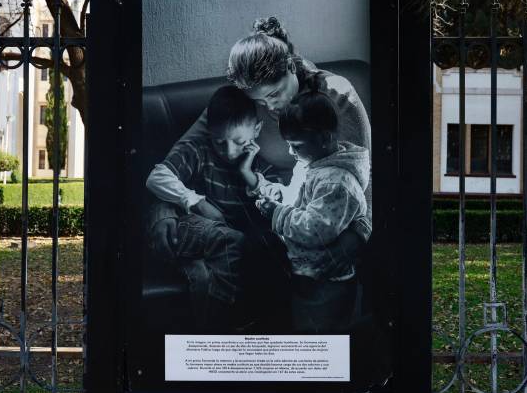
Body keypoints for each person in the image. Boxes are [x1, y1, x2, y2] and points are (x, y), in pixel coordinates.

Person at [150, 16, 372, 262]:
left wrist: (352, 241)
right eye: (259, 102)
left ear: (290, 67)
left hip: (328, 219)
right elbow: (182, 155)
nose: (270, 107)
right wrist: (165, 210)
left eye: (275, 94)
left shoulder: (337, 95)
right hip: (274, 214)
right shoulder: (245, 99)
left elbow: (365, 180)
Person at [146, 85, 281, 329]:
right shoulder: (199, 151)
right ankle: (224, 327)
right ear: (209, 131)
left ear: (257, 130)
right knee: (231, 239)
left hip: (219, 243)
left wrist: (246, 173)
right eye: (220, 142)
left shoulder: (260, 167)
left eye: (239, 142)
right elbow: (157, 177)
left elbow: (276, 203)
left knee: (206, 272)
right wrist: (196, 202)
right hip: (192, 225)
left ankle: (213, 330)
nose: (229, 151)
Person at [257, 89, 370, 332]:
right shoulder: (311, 163)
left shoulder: (336, 183)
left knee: (322, 335)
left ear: (325, 139)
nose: (290, 152)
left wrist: (278, 213)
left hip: (326, 279)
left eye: (295, 145)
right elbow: (303, 199)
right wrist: (282, 194)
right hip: (306, 271)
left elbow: (315, 229)